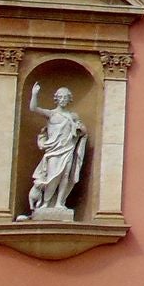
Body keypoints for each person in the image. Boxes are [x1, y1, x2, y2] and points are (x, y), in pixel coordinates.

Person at [25, 83, 88, 218]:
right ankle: (46, 203)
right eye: (61, 97)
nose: (63, 99)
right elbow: (33, 108)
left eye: (66, 97)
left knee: (65, 175)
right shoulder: (51, 114)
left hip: (68, 148)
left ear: (69, 99)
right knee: (52, 176)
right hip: (54, 150)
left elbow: (83, 131)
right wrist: (34, 94)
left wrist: (81, 129)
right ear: (56, 99)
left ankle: (60, 202)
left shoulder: (73, 116)